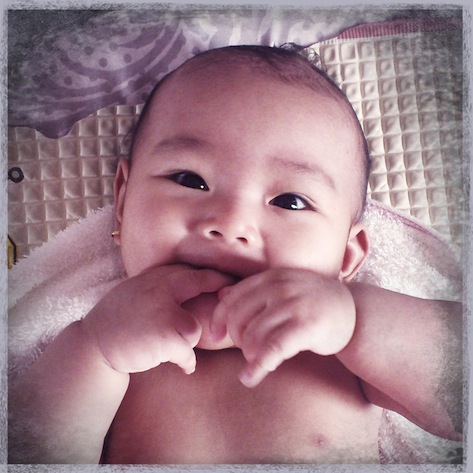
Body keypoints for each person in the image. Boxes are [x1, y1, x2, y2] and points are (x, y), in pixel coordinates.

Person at [8, 45, 462, 464]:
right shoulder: (105, 348)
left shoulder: (344, 354)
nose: (230, 223)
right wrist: (96, 347)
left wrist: (355, 321)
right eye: (190, 180)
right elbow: (27, 452)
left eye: (290, 201)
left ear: (347, 257)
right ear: (123, 202)